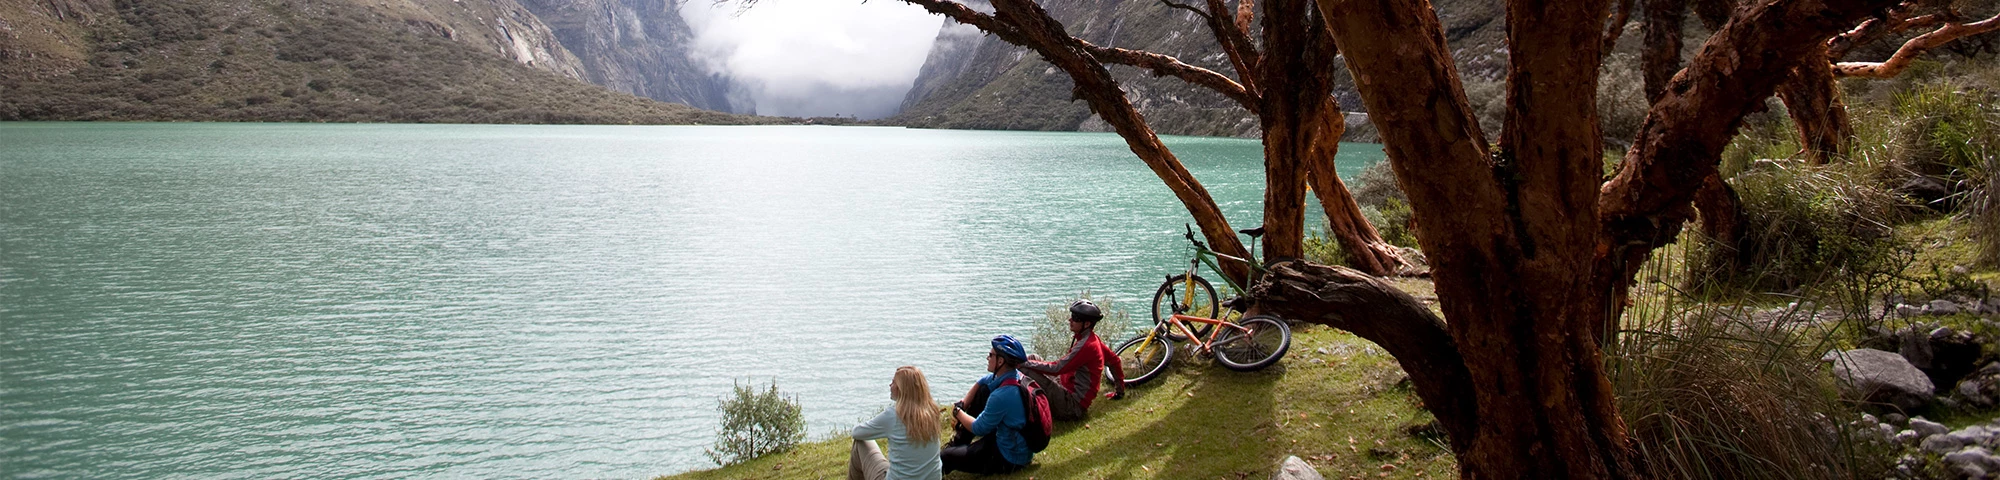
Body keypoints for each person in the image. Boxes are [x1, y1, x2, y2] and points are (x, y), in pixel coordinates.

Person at [941, 335, 1033, 474]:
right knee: (983, 390)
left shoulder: (1002, 395)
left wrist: (958, 412)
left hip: (1009, 457)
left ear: (1000, 361)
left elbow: (978, 428)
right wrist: (964, 404)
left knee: (945, 457)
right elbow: (983, 381)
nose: (987, 358)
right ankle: (959, 444)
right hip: (1013, 441)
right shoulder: (1015, 376)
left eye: (991, 355)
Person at [1021, 299, 1125, 421]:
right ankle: (1030, 405)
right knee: (1033, 358)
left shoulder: (1087, 346)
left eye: (1075, 318)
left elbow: (1057, 368)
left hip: (1072, 406)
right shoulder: (1092, 339)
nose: (1070, 320)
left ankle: (1023, 412)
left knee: (1023, 367)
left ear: (1086, 324)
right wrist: (1120, 391)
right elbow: (1114, 361)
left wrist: (1023, 363)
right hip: (1064, 387)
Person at [850, 366, 944, 480]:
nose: (890, 385)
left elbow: (857, 432)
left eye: (893, 382)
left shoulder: (893, 415)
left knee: (860, 443)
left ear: (901, 389)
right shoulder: (932, 412)